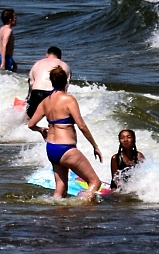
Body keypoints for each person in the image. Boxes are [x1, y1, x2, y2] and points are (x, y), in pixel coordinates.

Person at [27, 68, 103, 199]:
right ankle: (84, 209)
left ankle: (57, 214)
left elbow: (31, 125)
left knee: (60, 188)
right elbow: (82, 126)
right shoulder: (68, 100)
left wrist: (41, 130)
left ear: (51, 81)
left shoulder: (45, 102)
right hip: (66, 149)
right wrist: (95, 146)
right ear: (67, 81)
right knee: (95, 182)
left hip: (52, 149)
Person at [26, 47, 70, 118]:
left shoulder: (37, 64)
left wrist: (28, 98)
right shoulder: (64, 65)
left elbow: (31, 82)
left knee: (30, 118)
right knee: (53, 118)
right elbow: (66, 85)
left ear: (47, 55)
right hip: (54, 93)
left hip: (37, 92)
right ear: (60, 57)